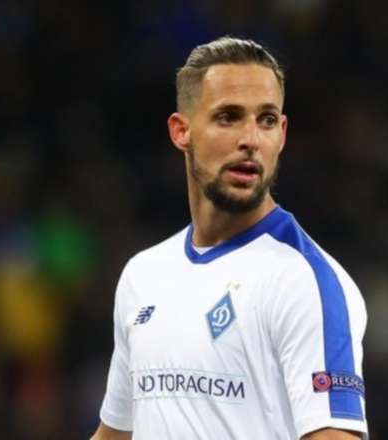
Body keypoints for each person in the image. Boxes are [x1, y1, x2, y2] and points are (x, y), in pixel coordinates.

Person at [91, 36, 368, 440]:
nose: (250, 139)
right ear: (181, 131)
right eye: (228, 117)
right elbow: (116, 434)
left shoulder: (304, 283)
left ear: (282, 134)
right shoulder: (143, 275)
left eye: (266, 120)